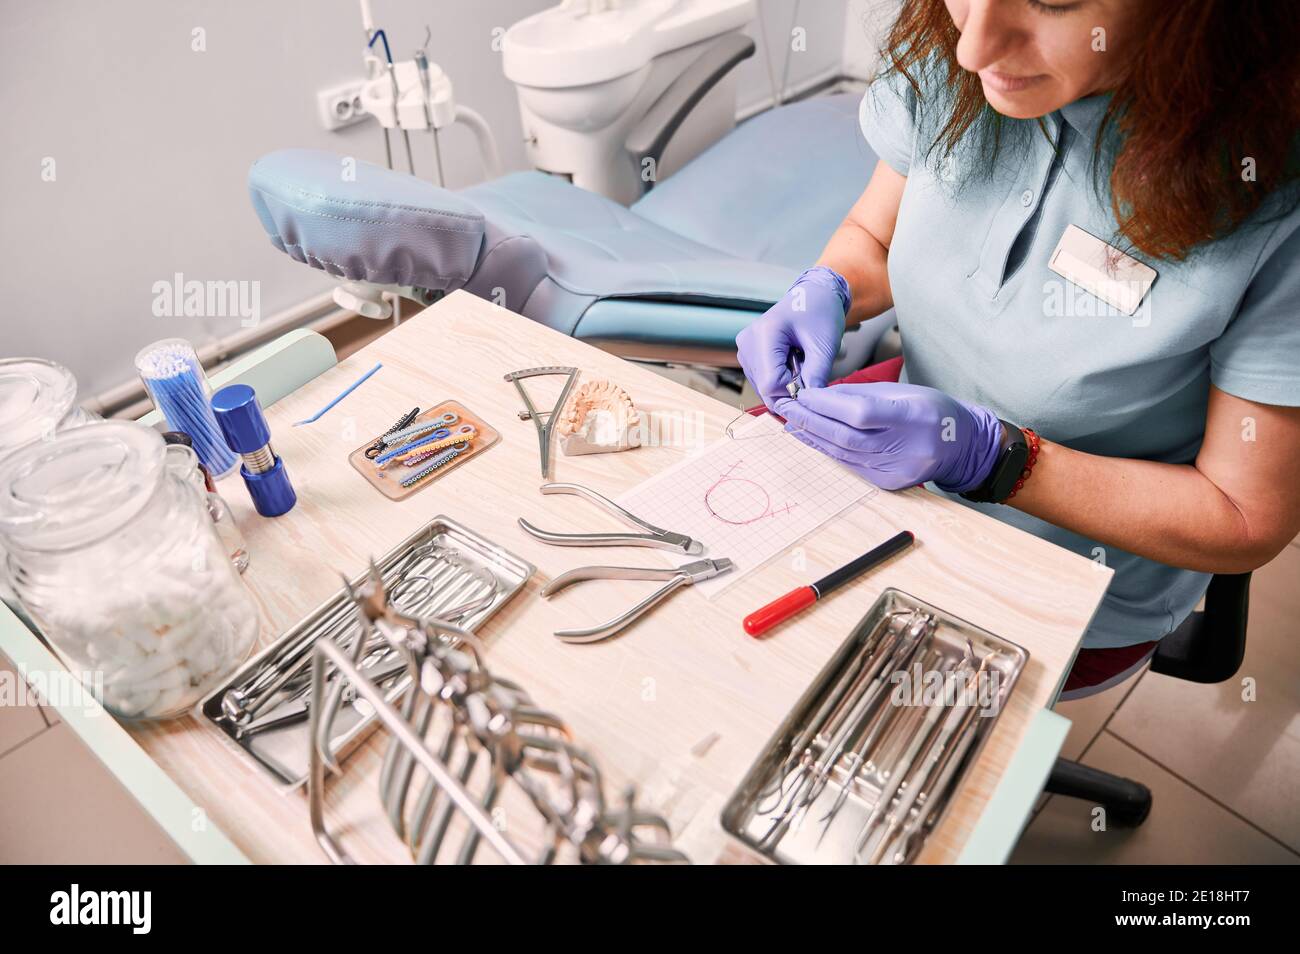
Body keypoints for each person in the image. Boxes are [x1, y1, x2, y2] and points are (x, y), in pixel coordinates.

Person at [736, 0, 1300, 697]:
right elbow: (874, 238)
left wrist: (999, 460)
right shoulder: (954, 57)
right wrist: (826, 286)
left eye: (1054, 3)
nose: (974, 50)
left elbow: (1245, 517)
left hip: (1069, 576)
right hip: (898, 472)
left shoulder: (1271, 195)